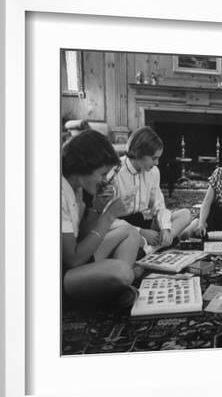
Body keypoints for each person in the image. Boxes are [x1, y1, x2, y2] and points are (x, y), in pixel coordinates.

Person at [61, 130, 144, 305]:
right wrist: (108, 216)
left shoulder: (77, 188)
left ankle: (111, 286)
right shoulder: (59, 195)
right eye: (102, 174)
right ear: (83, 167)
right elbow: (73, 259)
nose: (104, 180)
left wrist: (97, 208)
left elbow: (83, 236)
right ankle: (114, 286)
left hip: (77, 262)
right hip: (62, 275)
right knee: (123, 271)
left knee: (130, 232)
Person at [114, 126, 192, 253]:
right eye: (154, 158)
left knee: (185, 214)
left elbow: (159, 206)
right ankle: (152, 249)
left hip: (144, 221)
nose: (157, 163)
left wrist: (166, 229)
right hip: (123, 227)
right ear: (139, 152)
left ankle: (153, 246)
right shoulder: (115, 172)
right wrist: (141, 232)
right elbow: (108, 219)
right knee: (131, 239)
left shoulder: (154, 172)